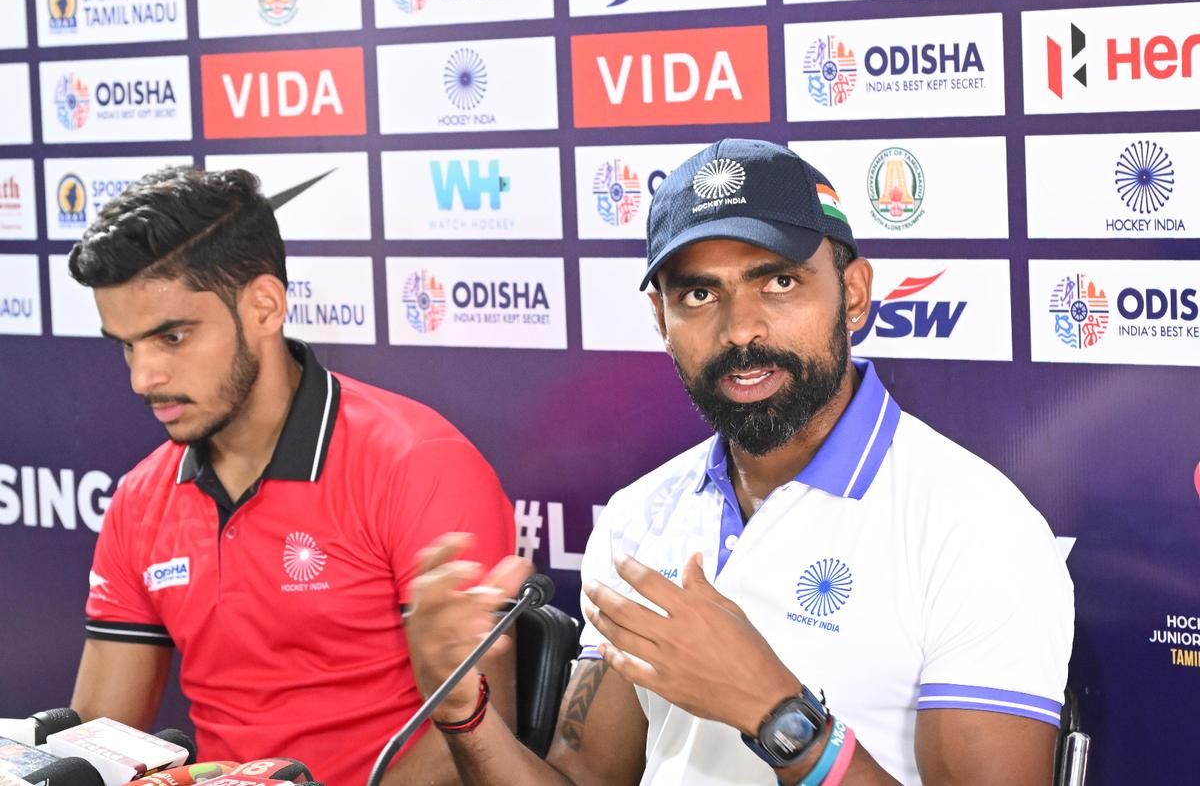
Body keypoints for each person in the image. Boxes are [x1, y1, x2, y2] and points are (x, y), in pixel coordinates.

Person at [404, 139, 1075, 785]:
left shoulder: (978, 528)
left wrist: (774, 713)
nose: (740, 330)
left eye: (779, 281)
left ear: (856, 293)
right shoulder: (639, 519)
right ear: (660, 320)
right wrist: (466, 715)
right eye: (699, 295)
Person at [67, 166, 517, 786]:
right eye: (126, 345)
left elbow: (479, 744)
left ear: (264, 306)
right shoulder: (141, 500)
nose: (142, 378)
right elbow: (102, 742)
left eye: (172, 337)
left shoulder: (418, 461)